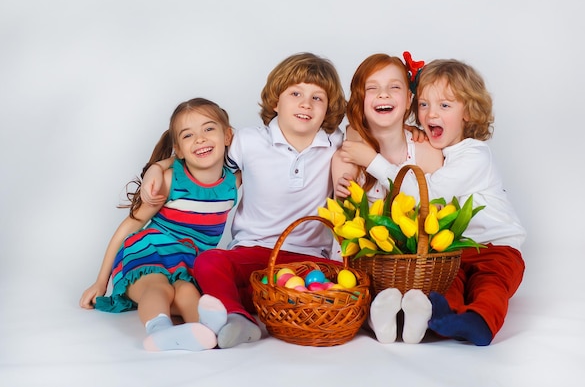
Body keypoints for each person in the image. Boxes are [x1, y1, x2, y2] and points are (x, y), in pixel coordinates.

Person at [141, 52, 347, 348]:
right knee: (209, 262)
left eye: (318, 98)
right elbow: (199, 159)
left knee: (340, 281)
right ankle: (238, 318)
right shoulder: (248, 141)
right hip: (253, 251)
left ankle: (252, 307)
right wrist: (157, 167)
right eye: (296, 93)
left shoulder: (335, 143)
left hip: (309, 259)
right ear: (276, 102)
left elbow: (364, 139)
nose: (306, 103)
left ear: (327, 110)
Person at [339, 57, 526, 346]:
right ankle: (439, 318)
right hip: (453, 253)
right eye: (424, 105)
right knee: (444, 287)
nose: (430, 114)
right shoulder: (435, 148)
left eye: (444, 106)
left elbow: (427, 192)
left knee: (491, 287)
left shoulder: (475, 154)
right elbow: (358, 127)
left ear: (468, 112)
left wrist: (373, 162)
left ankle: (480, 322)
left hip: (496, 247)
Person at [79, 98, 241, 352]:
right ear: (178, 148)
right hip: (148, 251)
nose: (200, 139)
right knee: (159, 287)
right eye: (189, 135)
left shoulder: (233, 182)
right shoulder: (169, 180)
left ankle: (207, 331)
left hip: (188, 260)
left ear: (228, 135)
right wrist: (101, 281)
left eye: (209, 129)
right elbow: (130, 226)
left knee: (186, 290)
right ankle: (160, 332)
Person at [331, 53, 443, 344]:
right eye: (372, 88)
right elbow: (344, 231)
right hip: (368, 267)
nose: (383, 94)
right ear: (360, 100)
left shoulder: (427, 151)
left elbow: (434, 209)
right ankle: (376, 314)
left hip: (417, 266)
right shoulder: (348, 154)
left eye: (394, 87)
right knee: (354, 291)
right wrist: (343, 193)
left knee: (426, 288)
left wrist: (373, 161)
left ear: (409, 100)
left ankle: (414, 311)